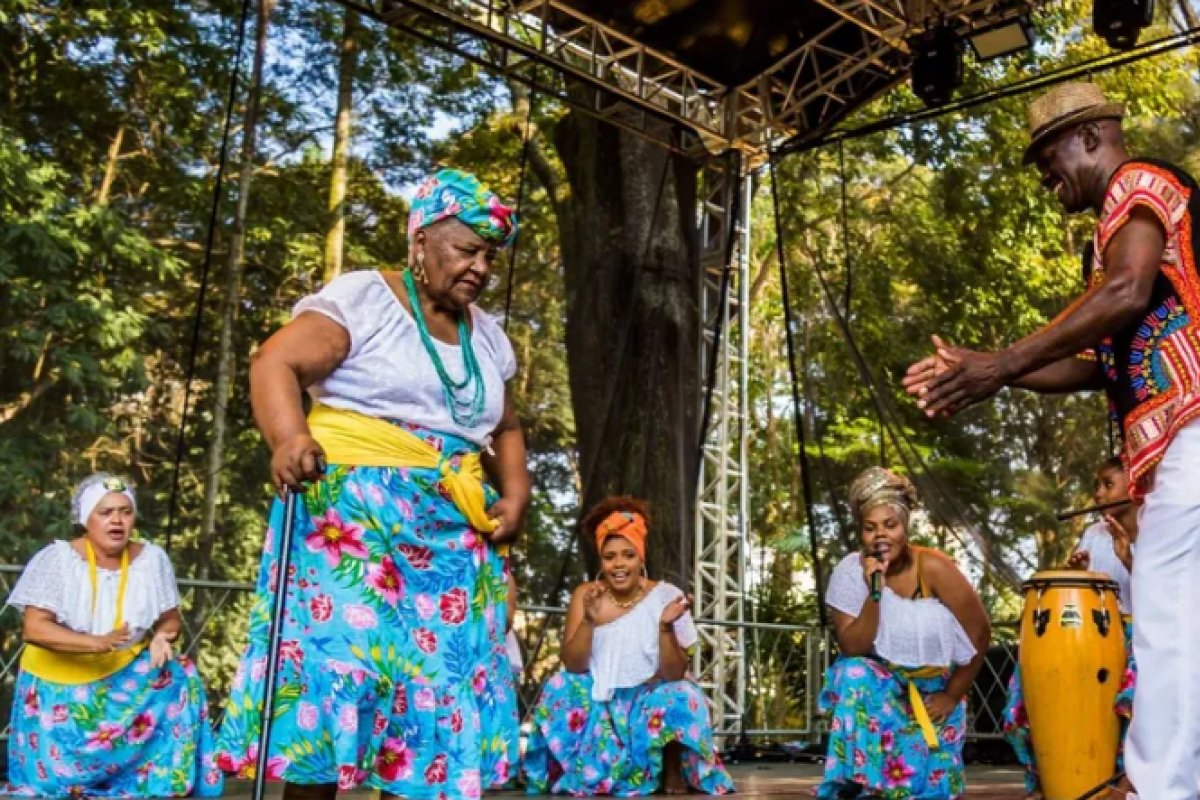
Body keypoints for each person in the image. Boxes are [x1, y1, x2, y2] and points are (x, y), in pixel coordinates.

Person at [902, 81, 1200, 800]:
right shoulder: (1115, 236)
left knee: (1168, 613)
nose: (1045, 177)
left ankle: (1161, 789)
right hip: (1177, 437)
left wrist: (1000, 364)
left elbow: (1126, 293)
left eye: (1049, 156)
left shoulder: (1140, 185)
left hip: (1190, 426)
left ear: (1093, 135)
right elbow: (1096, 360)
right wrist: (994, 371)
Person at [214, 168, 531, 800]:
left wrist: (516, 494)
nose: (479, 266)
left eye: (488, 255)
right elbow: (275, 361)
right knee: (340, 673)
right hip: (355, 526)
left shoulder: (488, 338)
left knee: (433, 694)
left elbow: (509, 426)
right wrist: (288, 437)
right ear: (419, 241)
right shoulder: (369, 298)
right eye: (465, 249)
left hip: (447, 539)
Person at [4, 473, 224, 797]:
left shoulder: (151, 560)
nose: (117, 521)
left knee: (181, 674)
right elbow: (34, 628)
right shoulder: (58, 559)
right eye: (105, 513)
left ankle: (159, 780)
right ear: (85, 519)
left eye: (125, 511)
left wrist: (163, 637)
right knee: (49, 788)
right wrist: (96, 642)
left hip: (122, 674)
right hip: (59, 681)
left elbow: (170, 619)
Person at [521, 497, 735, 796]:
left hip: (649, 695)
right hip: (601, 696)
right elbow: (574, 665)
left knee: (682, 693)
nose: (618, 564)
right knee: (560, 685)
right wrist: (589, 621)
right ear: (601, 560)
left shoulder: (666, 595)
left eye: (627, 555)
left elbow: (675, 673)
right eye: (609, 557)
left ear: (641, 558)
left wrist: (664, 628)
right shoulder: (586, 594)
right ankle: (575, 767)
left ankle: (672, 770)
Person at [818, 467, 990, 800]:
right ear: (861, 533)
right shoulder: (850, 572)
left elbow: (980, 634)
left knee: (927, 791)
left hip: (933, 695)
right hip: (879, 694)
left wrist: (952, 695)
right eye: (870, 528)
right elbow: (853, 647)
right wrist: (875, 590)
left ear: (906, 526)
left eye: (890, 525)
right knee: (853, 673)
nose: (880, 536)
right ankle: (858, 784)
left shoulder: (934, 568)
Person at [1002, 456, 1138, 799]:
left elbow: (1166, 592)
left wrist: (1129, 559)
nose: (1099, 493)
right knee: (1026, 689)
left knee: (1138, 701)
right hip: (1085, 641)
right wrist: (1077, 569)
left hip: (1139, 638)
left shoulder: (1156, 531)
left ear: (1134, 485)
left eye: (1108, 484)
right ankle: (1054, 775)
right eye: (1098, 485)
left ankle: (1125, 782)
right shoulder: (1093, 534)